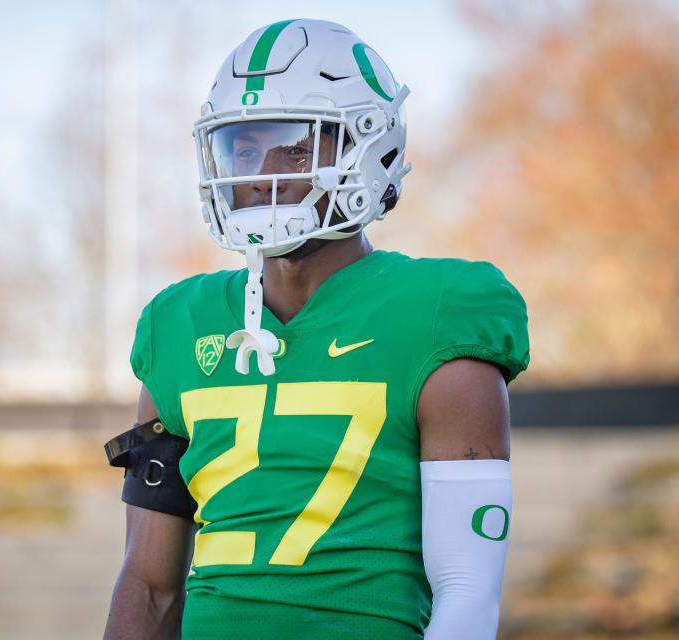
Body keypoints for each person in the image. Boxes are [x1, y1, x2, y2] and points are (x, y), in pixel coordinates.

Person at [103, 18, 529, 640]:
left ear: (370, 148)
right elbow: (148, 587)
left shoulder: (439, 313)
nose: (258, 171)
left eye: (295, 148)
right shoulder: (178, 326)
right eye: (243, 148)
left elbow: (467, 594)